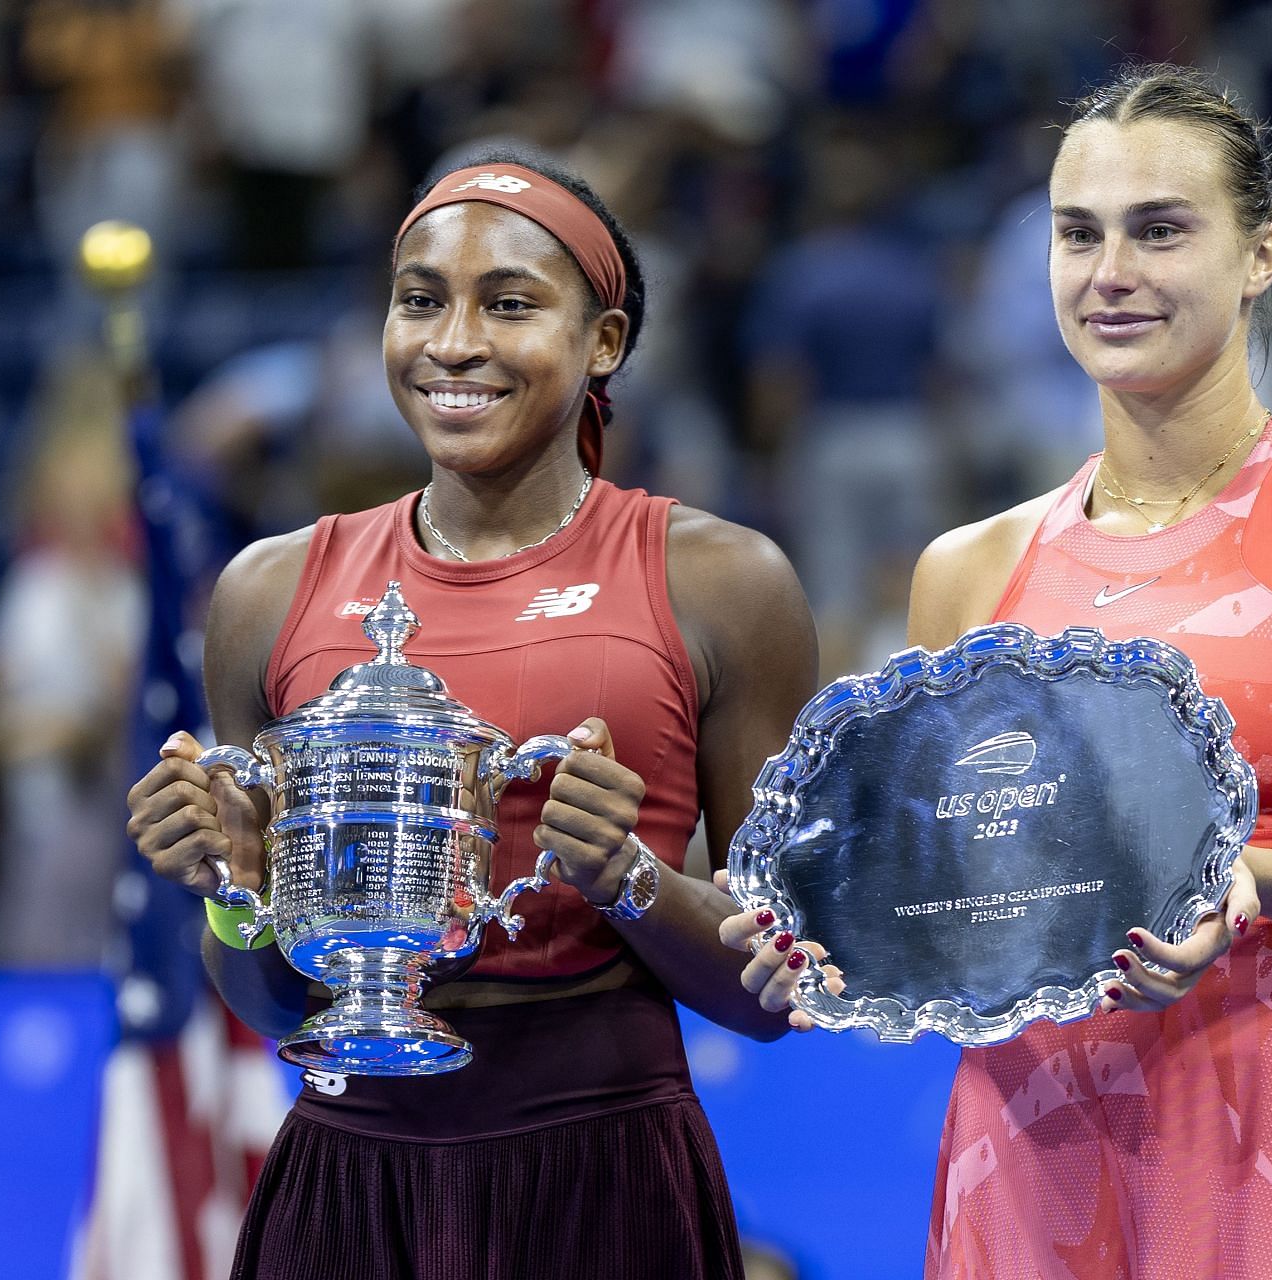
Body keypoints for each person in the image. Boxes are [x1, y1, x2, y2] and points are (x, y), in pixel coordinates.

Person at [726, 62, 1272, 1278]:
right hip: (1027, 1150)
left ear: (1261, 255)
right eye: (1078, 234)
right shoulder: (966, 569)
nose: (1111, 272)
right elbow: (963, 893)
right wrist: (835, 934)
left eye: (1160, 230)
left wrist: (1240, 880)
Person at [124, 143, 818, 1280]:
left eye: (510, 304)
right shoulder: (270, 590)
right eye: (420, 301)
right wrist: (236, 892)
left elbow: (776, 990)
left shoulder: (724, 582)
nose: (454, 343)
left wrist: (627, 880)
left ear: (606, 341)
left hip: (606, 1173)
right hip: (351, 1170)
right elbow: (269, 999)